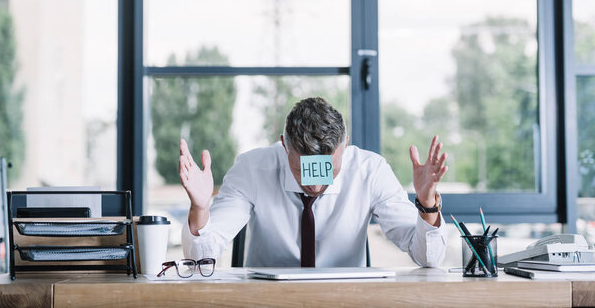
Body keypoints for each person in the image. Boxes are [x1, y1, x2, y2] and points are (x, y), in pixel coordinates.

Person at [179, 97, 448, 267]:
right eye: (302, 170)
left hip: (345, 301)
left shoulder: (371, 170)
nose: (316, 186)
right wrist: (200, 208)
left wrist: (426, 204)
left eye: (328, 170)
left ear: (345, 143)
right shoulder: (252, 168)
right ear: (284, 145)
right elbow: (199, 259)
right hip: (268, 301)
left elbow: (428, 258)